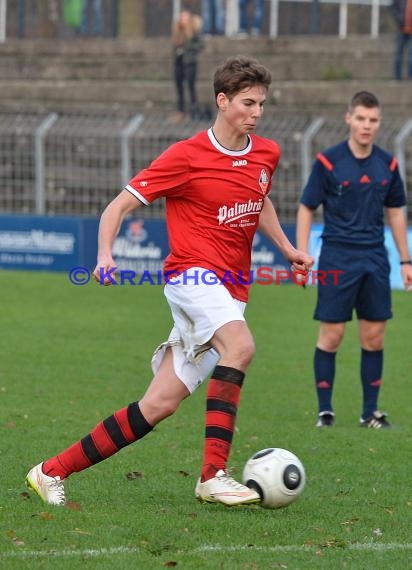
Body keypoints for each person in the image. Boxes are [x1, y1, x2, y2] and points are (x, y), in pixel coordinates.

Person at [25, 56, 313, 507]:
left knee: (156, 405)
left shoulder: (266, 154)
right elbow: (116, 207)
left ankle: (49, 471)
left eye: (261, 104)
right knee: (240, 348)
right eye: (247, 103)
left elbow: (260, 200)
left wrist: (287, 248)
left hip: (232, 292)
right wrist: (104, 255)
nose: (257, 112)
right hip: (192, 277)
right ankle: (213, 474)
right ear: (222, 101)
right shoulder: (186, 155)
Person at [296, 91, 412, 429]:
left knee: (374, 337)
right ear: (349, 119)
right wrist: (302, 256)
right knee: (331, 335)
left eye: (373, 120)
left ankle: (369, 413)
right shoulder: (328, 162)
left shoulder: (388, 164)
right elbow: (306, 207)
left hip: (375, 258)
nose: (366, 126)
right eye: (360, 118)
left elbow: (395, 213)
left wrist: (406, 261)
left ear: (379, 123)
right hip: (337, 258)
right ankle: (325, 412)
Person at [170, 9, 204, 123]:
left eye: (185, 17)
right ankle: (180, 112)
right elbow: (174, 46)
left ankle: (193, 112)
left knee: (191, 87)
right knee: (179, 87)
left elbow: (200, 45)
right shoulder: (178, 31)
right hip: (179, 62)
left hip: (190, 62)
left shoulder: (194, 31)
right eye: (181, 17)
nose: (183, 20)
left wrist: (188, 48)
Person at [391, 0, 412, 80]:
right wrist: (399, 19)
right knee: (398, 54)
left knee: (411, 56)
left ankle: (410, 76)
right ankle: (397, 77)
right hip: (401, 29)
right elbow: (393, 8)